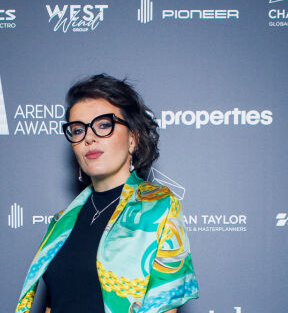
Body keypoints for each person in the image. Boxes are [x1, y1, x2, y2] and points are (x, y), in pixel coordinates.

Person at [16, 74, 198, 313]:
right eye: (78, 130)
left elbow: (165, 305)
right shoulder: (61, 222)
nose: (89, 137)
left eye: (103, 125)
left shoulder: (158, 209)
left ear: (133, 138)